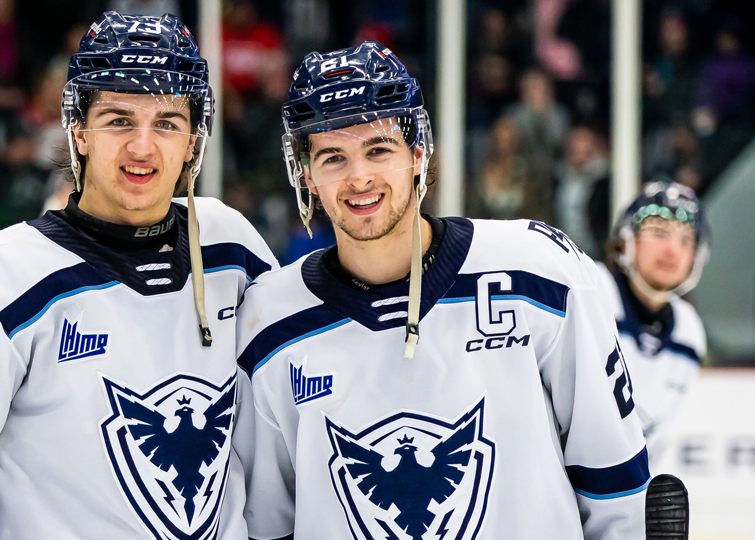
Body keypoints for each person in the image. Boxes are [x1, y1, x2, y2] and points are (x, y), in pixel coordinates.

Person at [0, 12, 276, 539]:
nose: (142, 147)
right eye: (119, 120)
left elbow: (284, 442)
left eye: (167, 123)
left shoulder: (231, 247)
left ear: (194, 139)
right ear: (78, 131)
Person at [237, 41, 648, 540]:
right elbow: (269, 525)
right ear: (305, 173)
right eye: (332, 157)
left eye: (378, 149)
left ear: (417, 153)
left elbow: (614, 482)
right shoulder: (269, 319)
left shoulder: (537, 273)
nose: (358, 176)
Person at [599, 181, 708, 463]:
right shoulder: (590, 293)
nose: (673, 250)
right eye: (659, 233)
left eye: (686, 240)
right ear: (626, 239)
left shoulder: (689, 332)